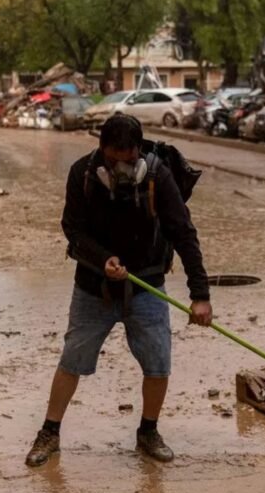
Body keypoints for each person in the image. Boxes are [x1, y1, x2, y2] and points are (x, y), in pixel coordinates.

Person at [26, 114, 212, 467]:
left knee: (158, 364)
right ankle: (49, 432)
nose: (121, 167)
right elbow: (73, 229)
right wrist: (103, 259)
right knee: (72, 360)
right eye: (113, 159)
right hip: (93, 288)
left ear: (138, 152)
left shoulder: (158, 176)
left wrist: (200, 295)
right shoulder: (82, 174)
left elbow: (184, 233)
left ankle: (148, 431)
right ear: (101, 149)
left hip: (147, 288)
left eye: (127, 160)